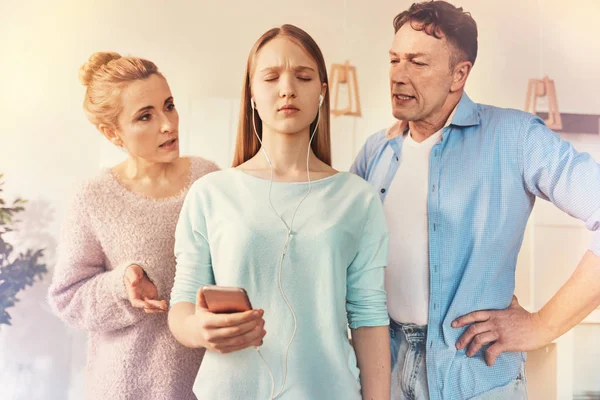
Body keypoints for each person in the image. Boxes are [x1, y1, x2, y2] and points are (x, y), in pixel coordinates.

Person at [350, 2, 600, 399]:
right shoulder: (374, 152)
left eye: (417, 62)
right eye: (394, 59)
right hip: (384, 372)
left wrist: (542, 325)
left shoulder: (515, 138)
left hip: (474, 378)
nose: (398, 75)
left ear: (459, 74)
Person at [168, 24, 391, 400]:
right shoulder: (211, 193)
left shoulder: (358, 198)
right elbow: (182, 305)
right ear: (252, 95)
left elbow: (369, 318)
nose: (288, 88)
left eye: (303, 77)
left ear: (322, 92)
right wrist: (199, 329)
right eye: (271, 77)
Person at [48, 51, 219, 400]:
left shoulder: (209, 179)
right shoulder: (92, 197)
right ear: (112, 133)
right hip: (125, 388)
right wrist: (122, 286)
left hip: (207, 385)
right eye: (146, 116)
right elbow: (68, 297)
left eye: (169, 105)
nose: (168, 124)